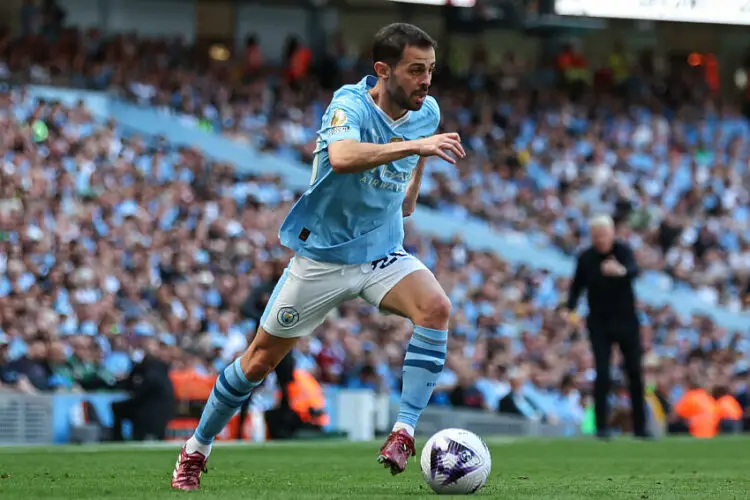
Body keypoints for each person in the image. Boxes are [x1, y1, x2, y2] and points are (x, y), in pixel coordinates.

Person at [171, 22, 465, 491]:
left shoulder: (425, 112)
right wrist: (415, 146)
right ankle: (196, 447)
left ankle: (404, 431)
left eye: (430, 69)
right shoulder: (348, 105)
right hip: (323, 259)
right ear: (383, 71)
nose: (426, 80)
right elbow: (345, 157)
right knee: (257, 363)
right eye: (415, 70)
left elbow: (412, 175)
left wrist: (413, 182)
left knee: (437, 308)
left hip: (381, 252)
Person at [565, 215, 648, 439]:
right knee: (602, 373)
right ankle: (601, 427)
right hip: (599, 323)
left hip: (626, 321)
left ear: (612, 233)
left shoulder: (623, 251)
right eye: (596, 236)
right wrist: (569, 309)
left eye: (604, 235)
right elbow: (576, 287)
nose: (600, 240)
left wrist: (619, 270)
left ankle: (641, 428)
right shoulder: (586, 258)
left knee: (635, 373)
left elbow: (633, 270)